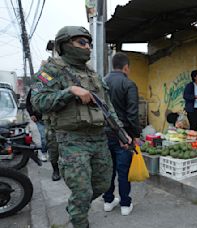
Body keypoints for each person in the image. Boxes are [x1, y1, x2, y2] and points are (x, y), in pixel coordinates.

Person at [30, 26, 129, 228]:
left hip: (99, 138)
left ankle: (76, 207)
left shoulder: (93, 74)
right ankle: (80, 220)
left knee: (102, 184)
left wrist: (121, 133)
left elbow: (108, 108)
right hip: (72, 140)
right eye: (81, 42)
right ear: (64, 45)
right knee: (82, 191)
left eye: (89, 43)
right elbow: (38, 102)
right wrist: (70, 91)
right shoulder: (51, 70)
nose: (88, 47)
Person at [102, 52, 140, 216]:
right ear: (126, 67)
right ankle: (125, 204)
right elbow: (132, 113)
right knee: (123, 171)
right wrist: (135, 134)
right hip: (123, 136)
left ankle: (108, 201)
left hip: (103, 134)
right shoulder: (128, 84)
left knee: (108, 169)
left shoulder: (101, 82)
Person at [26, 89, 47, 162]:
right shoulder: (34, 89)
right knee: (43, 136)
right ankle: (44, 153)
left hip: (51, 117)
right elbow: (28, 103)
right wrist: (31, 114)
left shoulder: (52, 86)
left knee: (51, 137)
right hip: (39, 118)